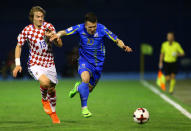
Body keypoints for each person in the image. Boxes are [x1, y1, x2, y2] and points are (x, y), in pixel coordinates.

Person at [50, 12, 132, 118]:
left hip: (98, 64)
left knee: (88, 89)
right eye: (90, 27)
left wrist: (124, 46)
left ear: (97, 24)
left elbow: (116, 39)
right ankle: (84, 108)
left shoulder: (102, 29)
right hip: (84, 61)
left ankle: (78, 87)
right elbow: (65, 32)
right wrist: (57, 34)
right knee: (85, 79)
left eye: (94, 26)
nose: (92, 29)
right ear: (85, 25)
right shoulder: (79, 28)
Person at [12, 6, 63, 123]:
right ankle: (44, 99)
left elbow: (60, 44)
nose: (40, 19)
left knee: (52, 89)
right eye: (38, 17)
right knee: (45, 82)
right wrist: (18, 64)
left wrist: (54, 38)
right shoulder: (27, 30)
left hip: (49, 63)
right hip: (35, 63)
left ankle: (53, 113)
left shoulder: (49, 27)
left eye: (42, 17)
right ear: (32, 18)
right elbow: (18, 46)